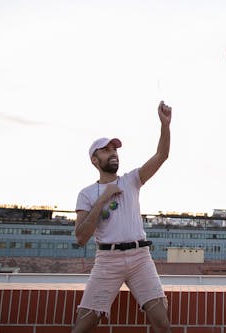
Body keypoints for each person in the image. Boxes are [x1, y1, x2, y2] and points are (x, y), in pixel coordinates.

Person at [72, 101, 172, 333]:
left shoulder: (131, 180)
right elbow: (80, 237)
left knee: (163, 325)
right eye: (106, 150)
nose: (113, 153)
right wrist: (103, 198)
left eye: (114, 149)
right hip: (108, 261)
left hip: (140, 258)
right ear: (95, 160)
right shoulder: (86, 194)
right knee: (83, 326)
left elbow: (162, 155)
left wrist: (165, 125)